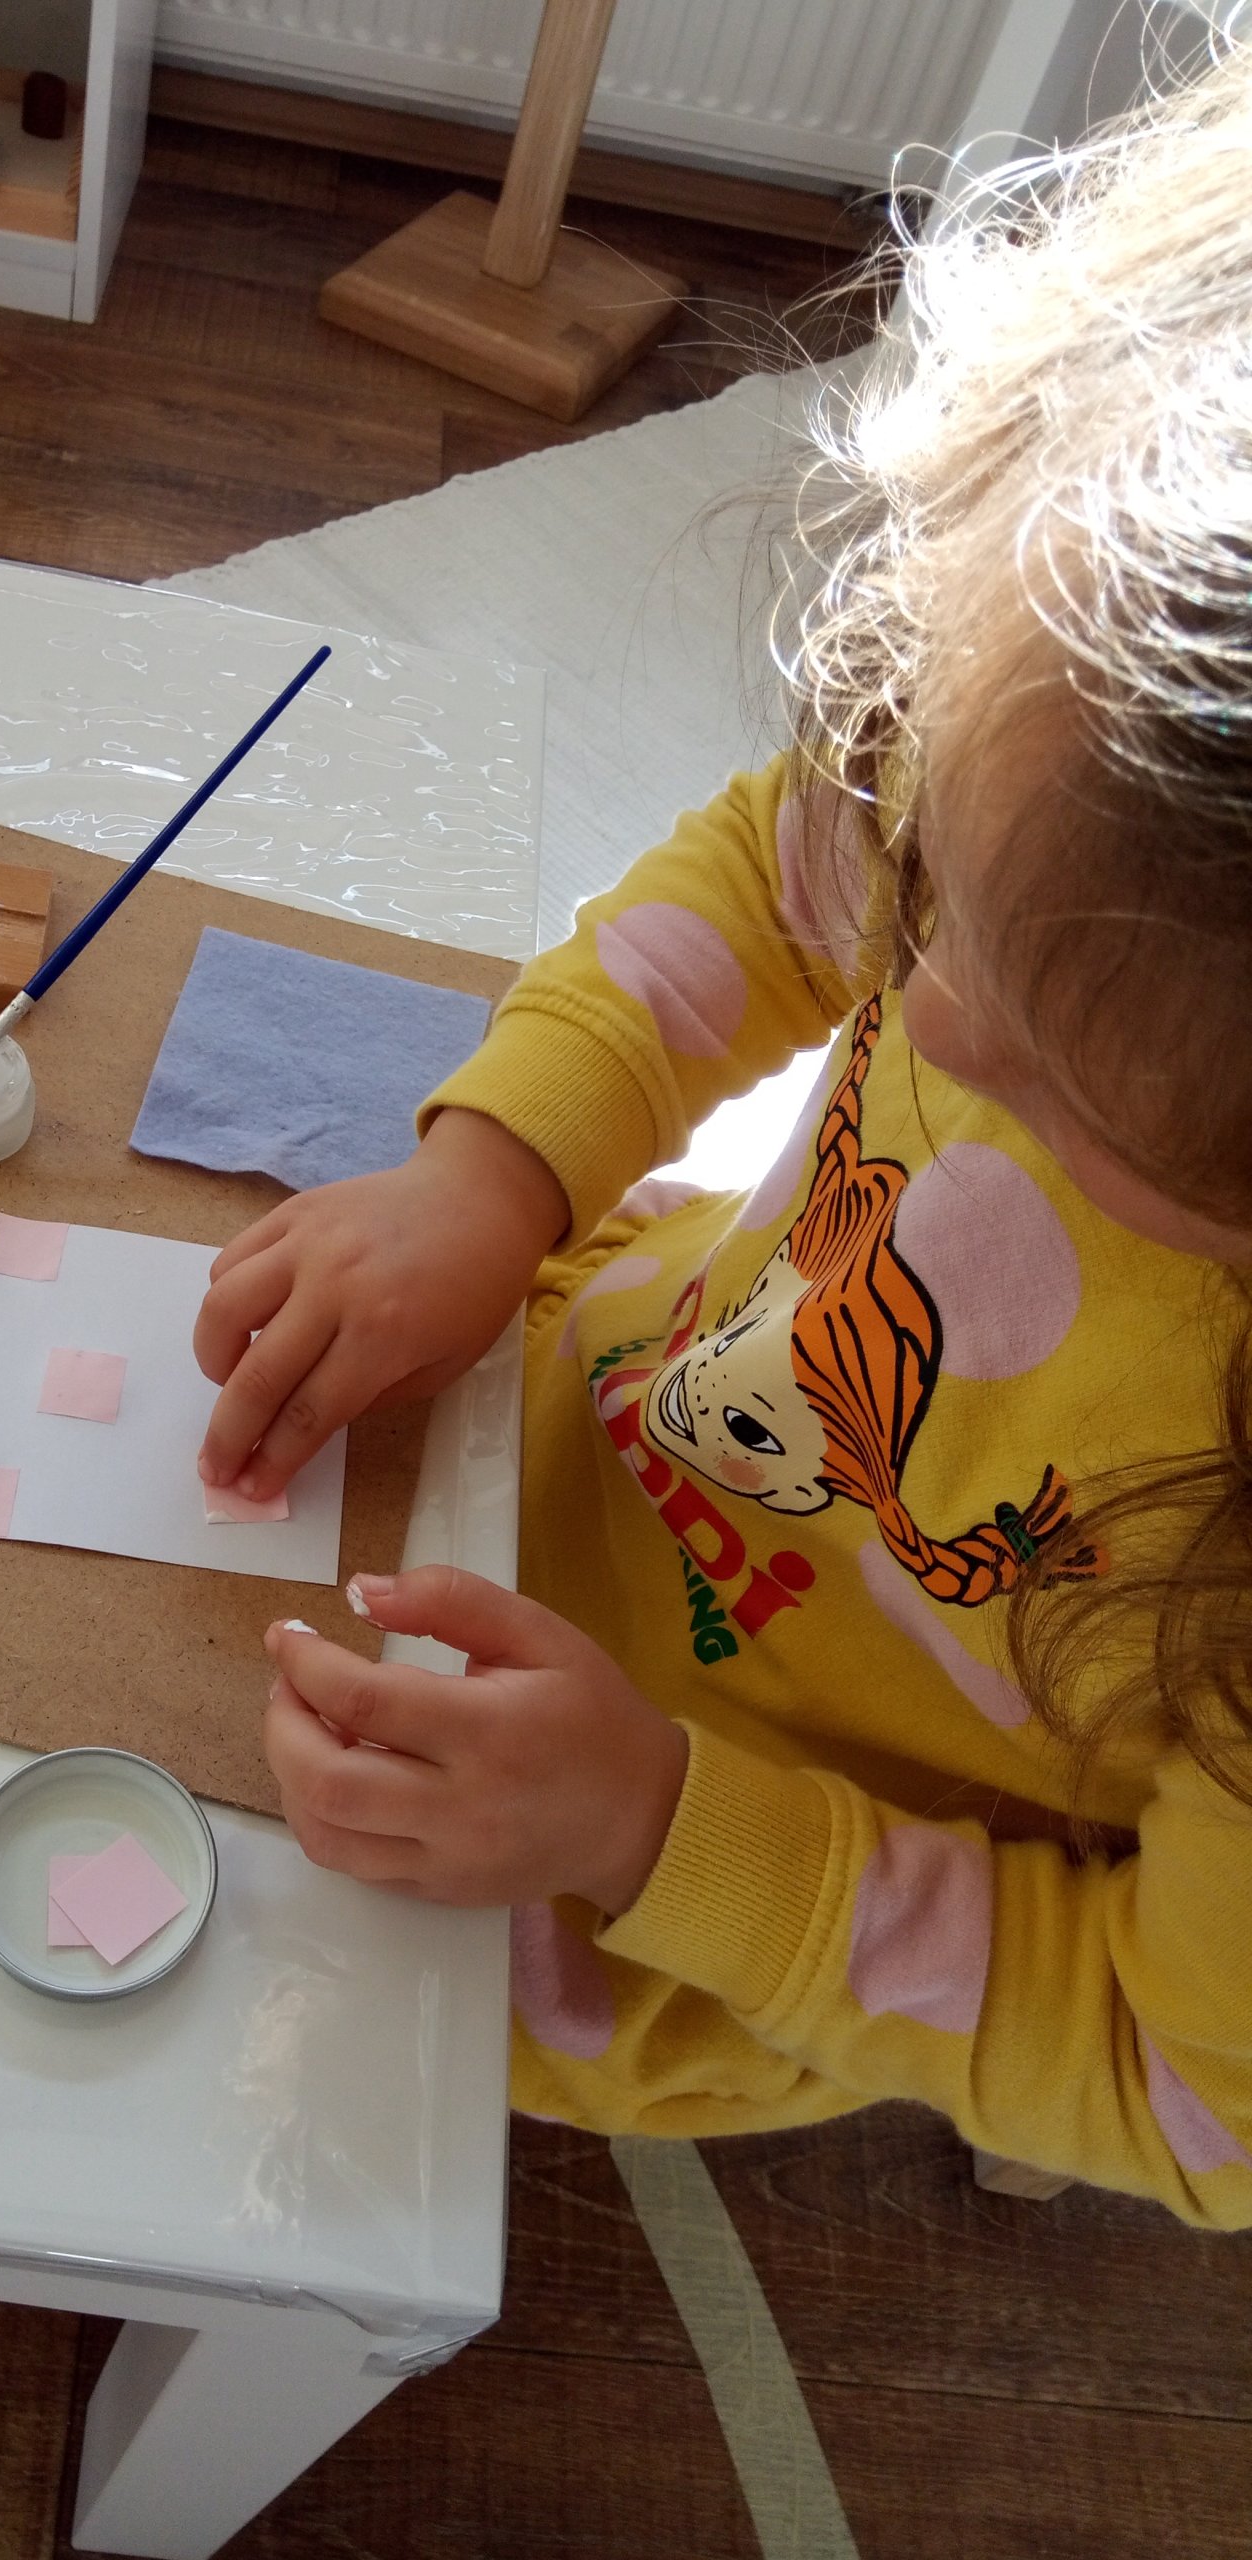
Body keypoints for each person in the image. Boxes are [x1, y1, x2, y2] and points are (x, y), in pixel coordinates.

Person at [190, 44, 1252, 2227]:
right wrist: (498, 1169)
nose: (920, 1007)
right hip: (610, 1399)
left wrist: (652, 1828)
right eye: (941, 892)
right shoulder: (1059, 773)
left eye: (1059, 1079)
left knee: (229, 2033)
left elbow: (1179, 2082)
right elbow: (780, 874)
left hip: (699, 1868)